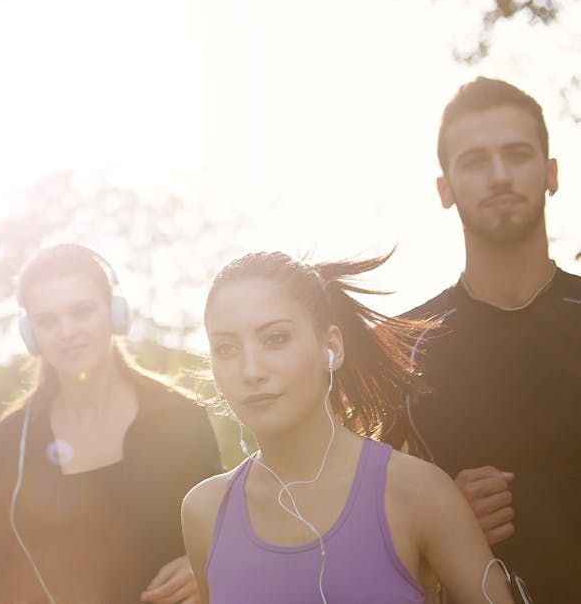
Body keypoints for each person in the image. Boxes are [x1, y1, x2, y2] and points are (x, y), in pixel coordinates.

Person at [181, 251, 515, 603]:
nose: (251, 370)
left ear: (332, 348)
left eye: (275, 338)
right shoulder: (204, 511)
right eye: (226, 347)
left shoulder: (417, 492)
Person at [403, 76, 581, 602]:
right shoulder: (403, 348)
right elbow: (352, 524)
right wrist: (440, 518)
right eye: (475, 161)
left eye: (518, 154)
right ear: (445, 188)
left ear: (551, 174)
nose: (499, 176)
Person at [0, 243, 223, 603]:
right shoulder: (11, 440)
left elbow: (227, 531)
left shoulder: (180, 419)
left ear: (114, 313)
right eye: (47, 320)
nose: (66, 331)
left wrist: (207, 566)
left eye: (82, 311)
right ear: (30, 333)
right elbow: (3, 569)